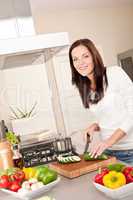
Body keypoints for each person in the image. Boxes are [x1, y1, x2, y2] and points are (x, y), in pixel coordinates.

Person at [69, 38, 133, 164]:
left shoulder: (114, 73)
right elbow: (109, 116)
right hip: (108, 152)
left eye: (85, 56)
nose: (80, 62)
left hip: (130, 151)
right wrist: (94, 126)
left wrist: (108, 141)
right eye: (75, 59)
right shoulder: (85, 86)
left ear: (94, 56)